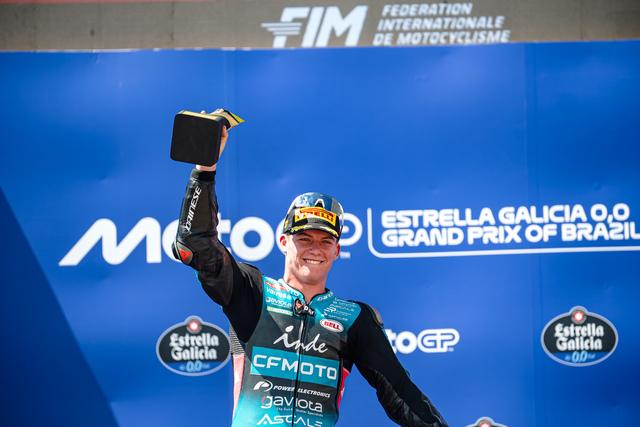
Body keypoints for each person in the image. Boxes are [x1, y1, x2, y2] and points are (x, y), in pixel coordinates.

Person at [172, 124, 448, 427]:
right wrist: (205, 170)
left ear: (336, 251)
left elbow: (401, 394)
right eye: (304, 238)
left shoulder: (354, 318)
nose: (315, 249)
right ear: (283, 242)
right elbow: (194, 244)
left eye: (325, 241)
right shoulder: (251, 291)